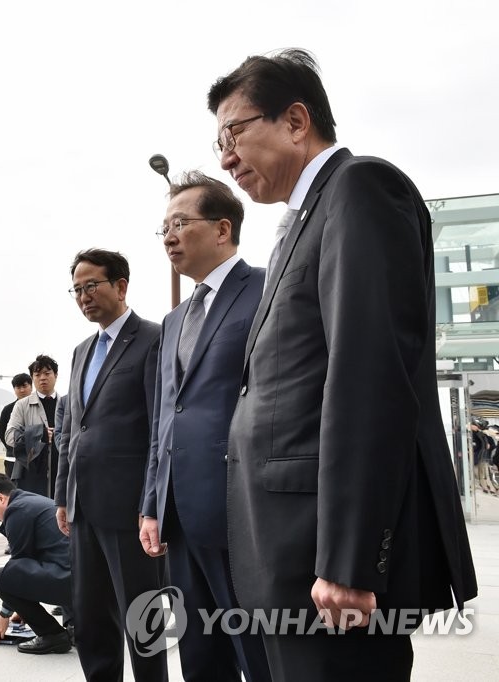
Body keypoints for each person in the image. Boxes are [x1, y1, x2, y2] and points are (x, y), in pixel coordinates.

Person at [208, 49, 477, 680]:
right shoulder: (300, 222)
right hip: (287, 550)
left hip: (325, 563)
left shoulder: (360, 188)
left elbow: (371, 379)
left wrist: (351, 562)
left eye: (234, 134)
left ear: (296, 121)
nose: (225, 158)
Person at [140, 171, 270, 682]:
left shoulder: (266, 287)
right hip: (180, 515)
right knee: (199, 654)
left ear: (222, 229)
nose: (170, 236)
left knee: (254, 648)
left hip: (241, 508)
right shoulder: (175, 319)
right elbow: (163, 419)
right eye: (164, 228)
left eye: (180, 223)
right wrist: (152, 504)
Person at [54, 248, 166, 681]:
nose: (84, 296)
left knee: (143, 616)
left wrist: (152, 501)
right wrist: (63, 496)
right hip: (83, 509)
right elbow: (70, 433)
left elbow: (160, 428)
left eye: (92, 286)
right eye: (77, 290)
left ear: (121, 286)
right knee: (91, 617)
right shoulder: (82, 350)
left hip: (130, 510)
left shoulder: (153, 338)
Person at [0, 473, 73, 655]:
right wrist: (22, 607)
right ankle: (74, 628)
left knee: (0, 577)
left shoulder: (17, 510)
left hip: (68, 581)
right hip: (81, 578)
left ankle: (52, 635)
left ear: (1, 498)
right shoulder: (31, 501)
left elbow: (17, 567)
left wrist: (4, 615)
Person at [5, 355, 61, 497]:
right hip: (30, 473)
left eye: (47, 373)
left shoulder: (67, 404)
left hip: (61, 472)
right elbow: (9, 435)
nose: (42, 378)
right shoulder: (22, 405)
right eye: (37, 374)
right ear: (33, 378)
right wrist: (39, 434)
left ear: (56, 375)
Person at [0, 373, 33, 480]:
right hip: (12, 459)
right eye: (18, 387)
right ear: (14, 389)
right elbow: (3, 434)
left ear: (31, 387)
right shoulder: (7, 409)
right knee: (13, 492)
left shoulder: (38, 406)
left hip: (34, 459)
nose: (22, 390)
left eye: (25, 386)